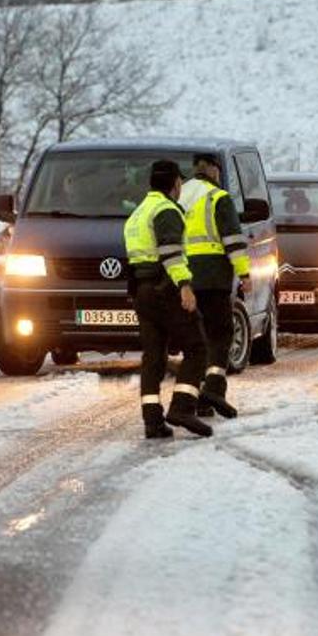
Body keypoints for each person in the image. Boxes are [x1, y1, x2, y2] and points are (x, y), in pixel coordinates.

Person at [123, 159, 213, 439]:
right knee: (197, 348)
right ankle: (182, 408)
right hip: (166, 288)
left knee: (153, 357)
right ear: (175, 184)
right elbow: (172, 253)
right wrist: (184, 286)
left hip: (142, 291)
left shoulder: (138, 212)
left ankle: (153, 422)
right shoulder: (166, 210)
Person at [178, 152, 252, 418]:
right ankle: (214, 392)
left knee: (195, 341)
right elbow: (232, 239)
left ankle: (192, 400)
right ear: (213, 170)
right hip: (213, 277)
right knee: (220, 335)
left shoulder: (178, 195)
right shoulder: (218, 197)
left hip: (182, 278)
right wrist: (244, 273)